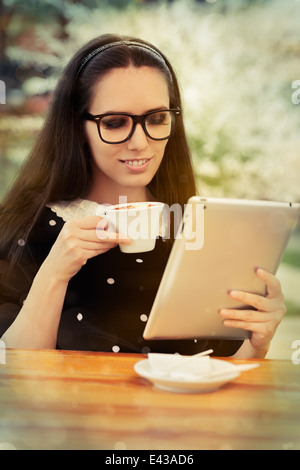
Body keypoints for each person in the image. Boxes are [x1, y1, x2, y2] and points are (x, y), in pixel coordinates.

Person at [0, 33, 286, 358]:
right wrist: (54, 273)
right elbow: (12, 377)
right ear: (78, 126)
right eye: (115, 122)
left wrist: (256, 343)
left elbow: (220, 375)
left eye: (156, 118)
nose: (139, 142)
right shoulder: (23, 229)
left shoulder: (200, 231)